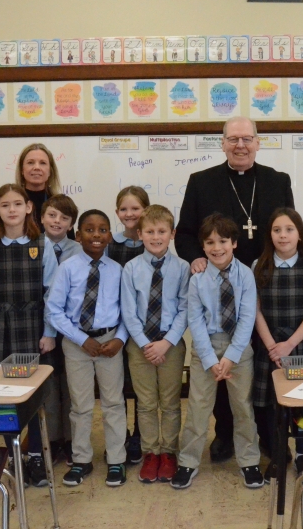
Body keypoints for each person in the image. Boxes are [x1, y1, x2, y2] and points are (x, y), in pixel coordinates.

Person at [175, 115, 294, 463]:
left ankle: (269, 436)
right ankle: (224, 434)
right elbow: (183, 233)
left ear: (258, 142)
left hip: (268, 288)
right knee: (226, 364)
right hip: (219, 289)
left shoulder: (277, 180)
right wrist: (197, 258)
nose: (240, 145)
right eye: (233, 139)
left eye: (247, 139)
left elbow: (290, 225)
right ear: (222, 143)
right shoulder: (201, 182)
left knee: (263, 364)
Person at [171, 214, 263, 490]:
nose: (217, 247)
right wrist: (211, 359)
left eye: (223, 241)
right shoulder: (198, 279)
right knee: (198, 409)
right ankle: (188, 462)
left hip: (238, 348)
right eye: (210, 242)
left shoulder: (246, 274)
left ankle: (249, 461)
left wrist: (231, 357)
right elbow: (195, 320)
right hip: (205, 349)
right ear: (202, 246)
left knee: (243, 408)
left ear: (234, 243)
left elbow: (248, 318)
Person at [0, 184, 58, 488]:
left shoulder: (41, 243)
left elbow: (52, 291)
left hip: (34, 327)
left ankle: (35, 453)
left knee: (34, 395)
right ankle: (12, 454)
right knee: (6, 395)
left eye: (17, 204)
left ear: (28, 208)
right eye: (4, 205)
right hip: (2, 328)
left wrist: (49, 332)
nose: (11, 210)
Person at [46, 210, 129, 488]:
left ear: (109, 235)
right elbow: (54, 311)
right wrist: (82, 340)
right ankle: (82, 459)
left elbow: (128, 311)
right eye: (90, 230)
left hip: (109, 344)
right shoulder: (67, 268)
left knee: (114, 403)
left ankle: (116, 459)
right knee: (80, 406)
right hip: (76, 344)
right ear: (77, 235)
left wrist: (120, 339)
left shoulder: (118, 270)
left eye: (103, 230)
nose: (96, 235)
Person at [120, 205, 190, 484]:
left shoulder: (183, 268)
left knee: (171, 403)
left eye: (162, 231)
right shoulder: (131, 268)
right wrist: (146, 343)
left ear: (172, 234)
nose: (156, 237)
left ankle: (169, 452)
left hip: (171, 345)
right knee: (147, 403)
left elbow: (185, 308)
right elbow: (128, 310)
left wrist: (166, 343)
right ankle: (151, 453)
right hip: (140, 346)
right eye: (150, 231)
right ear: (140, 234)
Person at [251, 208, 303, 478]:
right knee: (271, 404)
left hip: (300, 345)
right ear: (270, 235)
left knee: (302, 401)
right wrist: (273, 347)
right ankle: (279, 454)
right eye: (277, 230)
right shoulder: (259, 266)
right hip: (268, 346)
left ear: (299, 233)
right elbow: (255, 311)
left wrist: (289, 345)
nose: (283, 235)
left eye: (289, 229)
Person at [107, 185, 149, 466]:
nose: (129, 213)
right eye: (124, 209)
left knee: (141, 387)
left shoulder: (152, 240)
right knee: (119, 386)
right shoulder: (110, 244)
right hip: (115, 325)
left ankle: (139, 436)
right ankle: (119, 436)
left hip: (144, 326)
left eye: (135, 208)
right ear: (117, 212)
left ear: (145, 210)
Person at [41, 194, 83, 466]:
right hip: (41, 328)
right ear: (42, 217)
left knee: (70, 388)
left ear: (71, 225)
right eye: (52, 215)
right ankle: (51, 440)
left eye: (64, 218)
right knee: (47, 386)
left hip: (71, 329)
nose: (57, 221)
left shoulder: (79, 251)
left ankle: (70, 441)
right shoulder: (32, 246)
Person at [15, 143, 72, 237]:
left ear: (50, 171)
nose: (36, 167)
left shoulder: (62, 204)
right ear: (22, 170)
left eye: (42, 163)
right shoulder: (12, 204)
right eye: (30, 162)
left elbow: (69, 243)